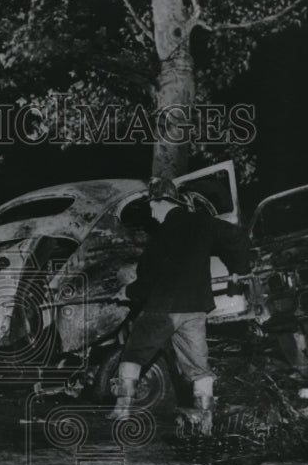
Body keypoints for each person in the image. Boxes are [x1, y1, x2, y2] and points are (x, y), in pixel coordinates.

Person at [108, 177, 252, 431]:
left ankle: (122, 410)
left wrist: (127, 291)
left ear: (162, 202)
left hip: (161, 310)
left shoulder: (161, 235)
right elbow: (237, 236)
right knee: (199, 369)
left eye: (152, 205)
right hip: (195, 310)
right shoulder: (202, 223)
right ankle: (205, 419)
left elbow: (148, 279)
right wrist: (237, 271)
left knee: (133, 354)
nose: (151, 211)